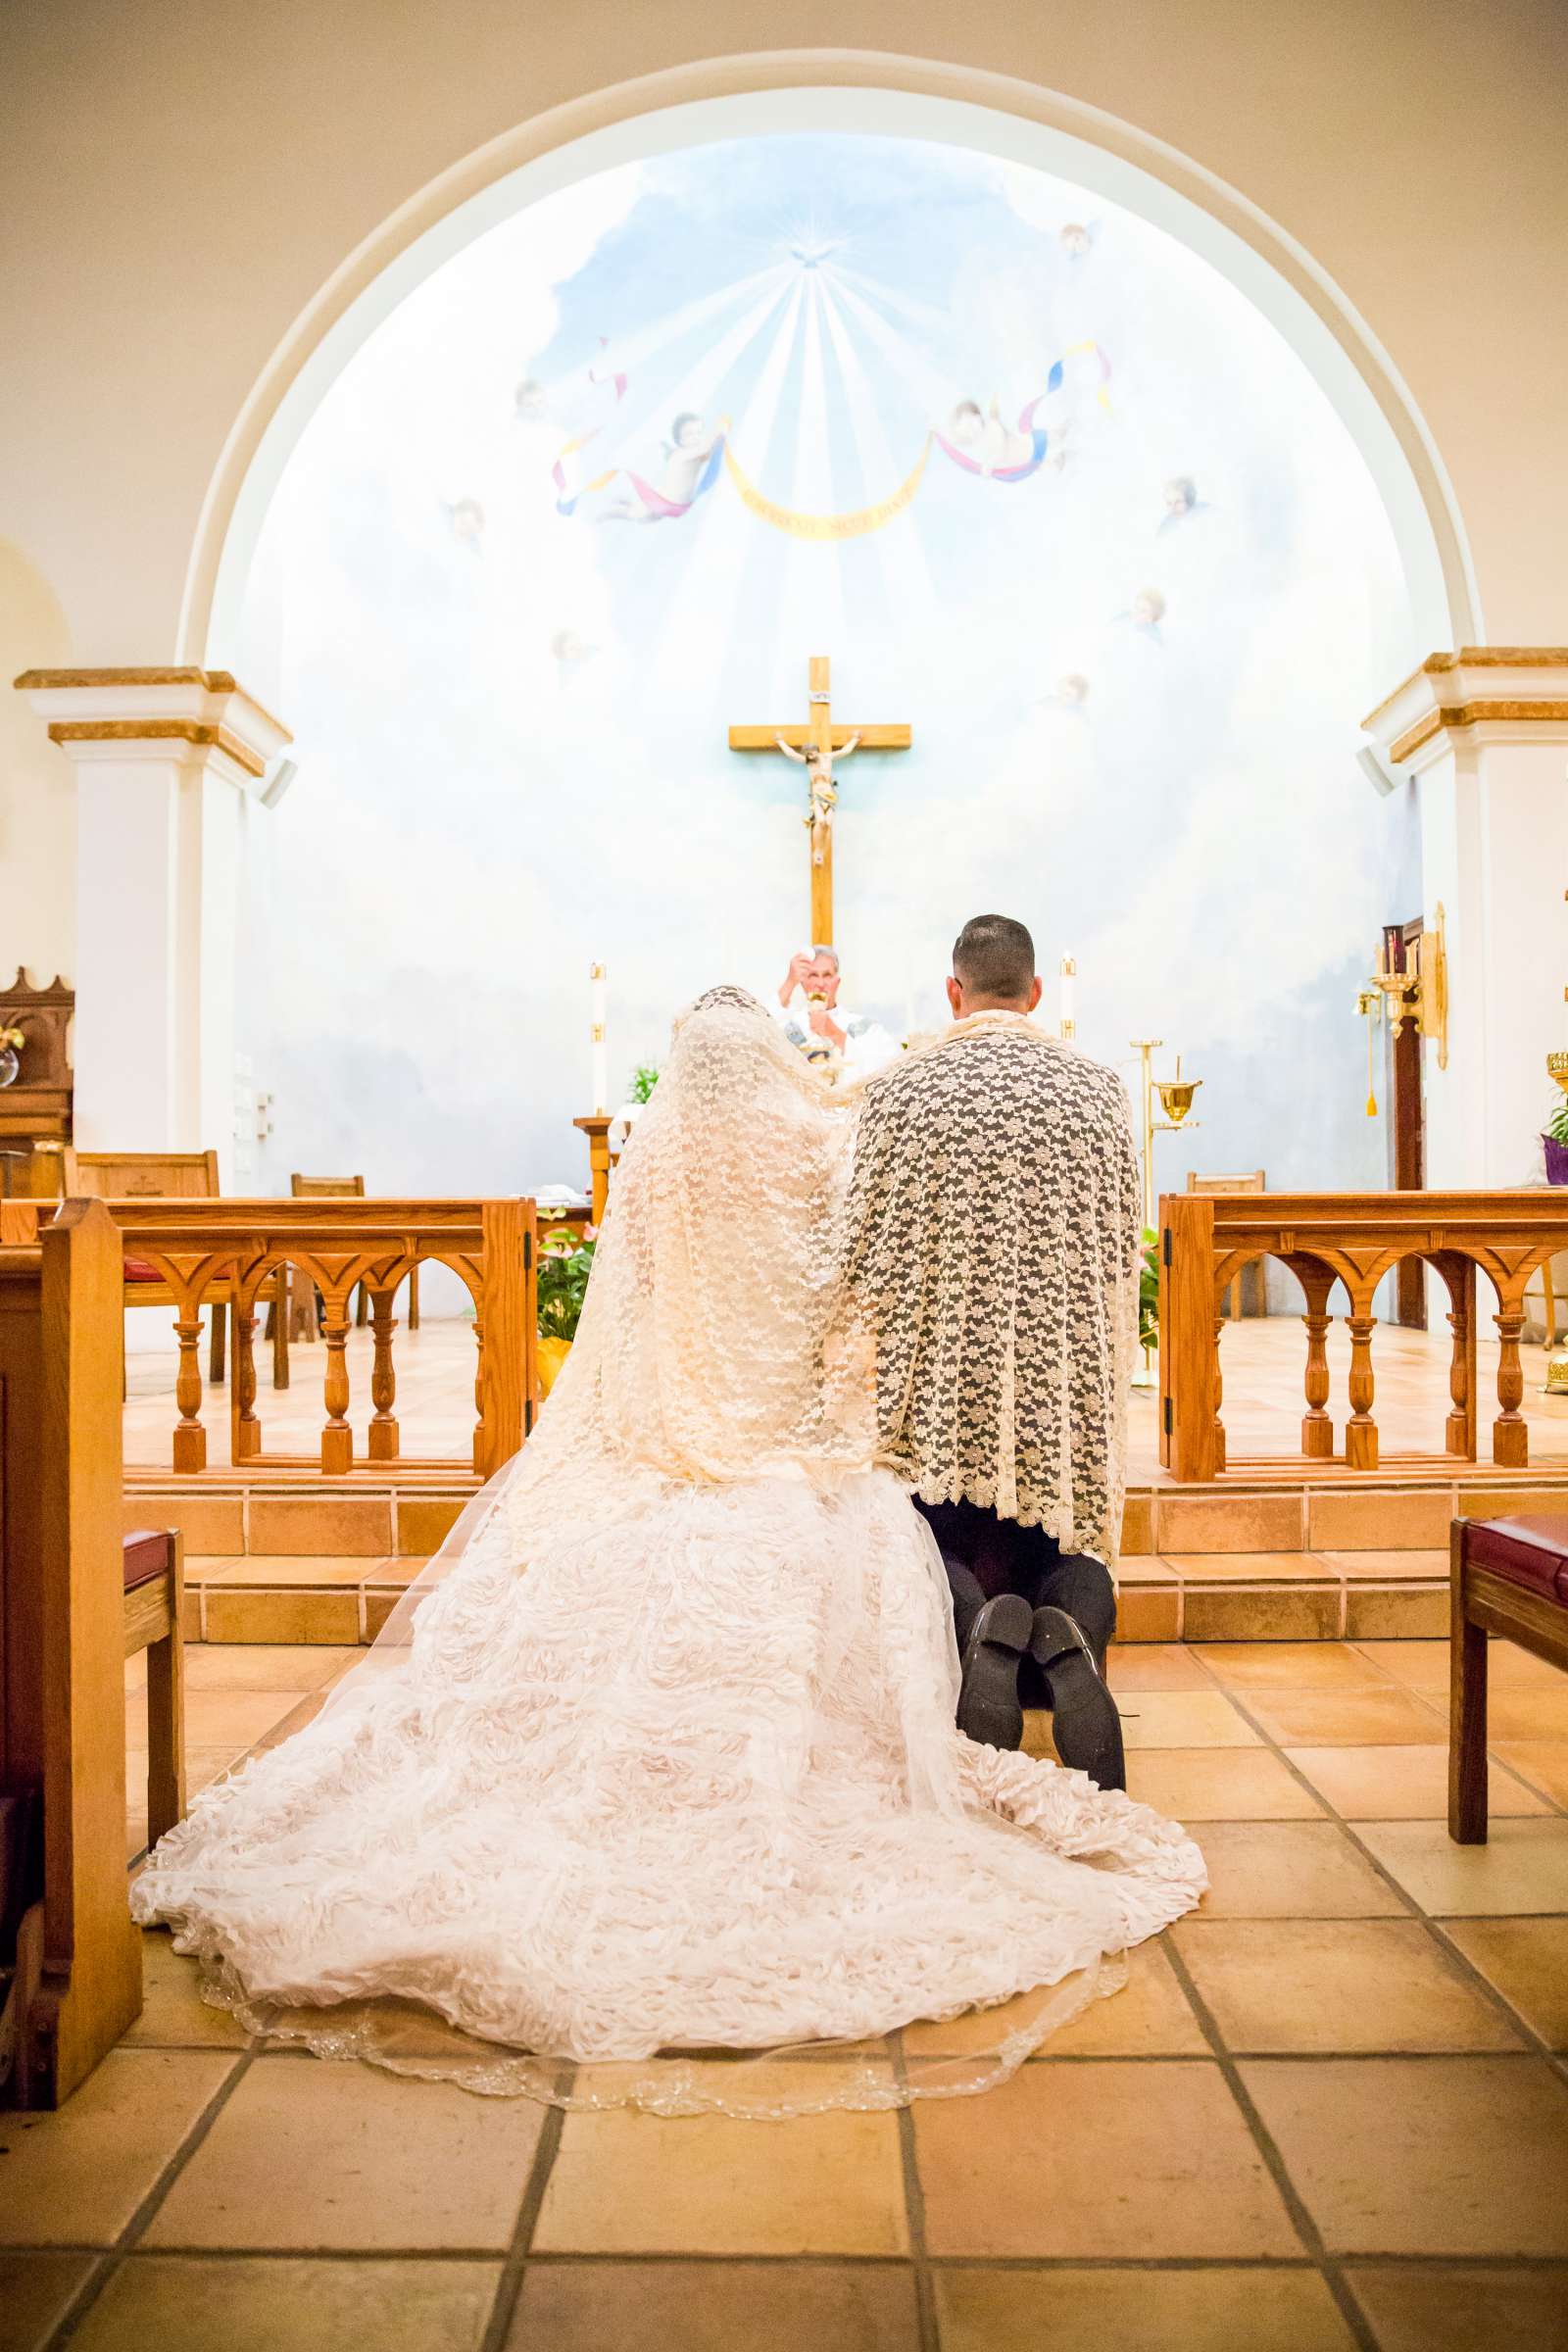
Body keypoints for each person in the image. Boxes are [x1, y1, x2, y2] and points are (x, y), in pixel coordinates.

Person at [131, 987, 1201, 2115]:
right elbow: (856, 1287)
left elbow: (627, 1330)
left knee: (873, 1572)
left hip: (663, 1456)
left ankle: (978, 1627)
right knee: (904, 1545)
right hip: (796, 1473)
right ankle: (1050, 1627)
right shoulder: (813, 1153)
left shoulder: (656, 1165)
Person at [844, 916, 1137, 1788]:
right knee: (1065, 1547)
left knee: (933, 1540)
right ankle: (1067, 1646)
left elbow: (863, 1244)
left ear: (953, 992)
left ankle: (979, 1627)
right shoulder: (1098, 1088)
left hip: (937, 1389)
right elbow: (1121, 1242)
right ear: (1036, 992)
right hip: (1057, 1377)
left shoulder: (897, 1089)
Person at [775, 946, 899, 1080]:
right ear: (803, 982)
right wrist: (790, 981)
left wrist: (836, 1034)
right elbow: (757, 1041)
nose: (820, 983)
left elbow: (889, 1067)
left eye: (827, 975)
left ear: (837, 982)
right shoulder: (788, 1027)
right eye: (813, 975)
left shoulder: (865, 1027)